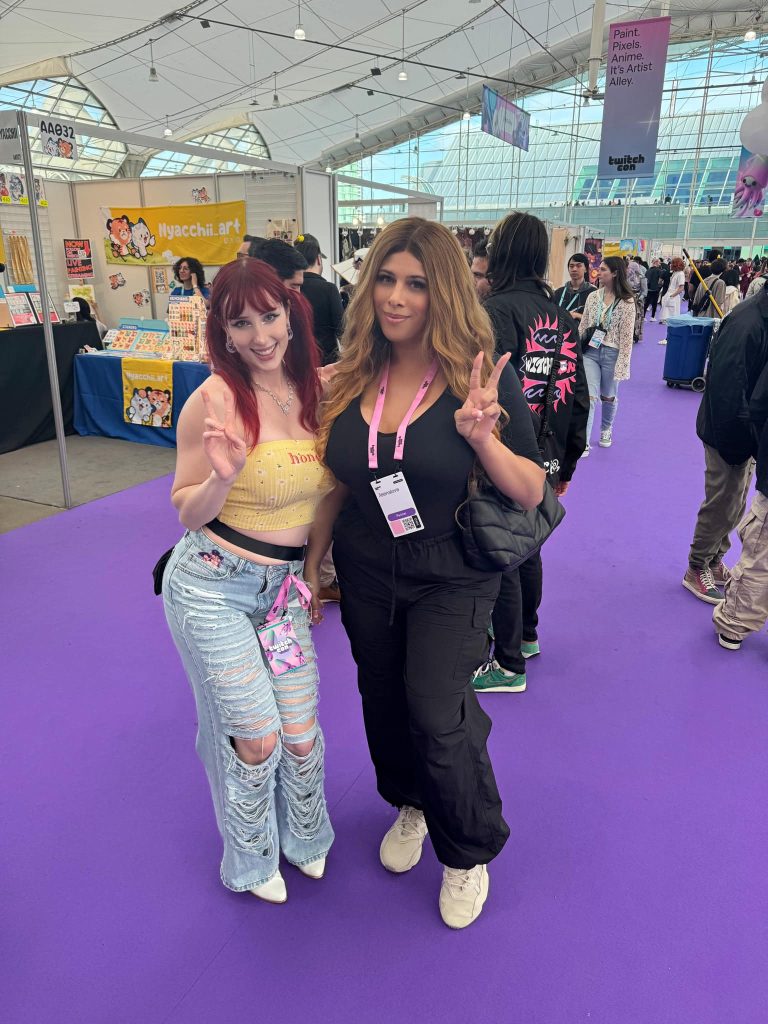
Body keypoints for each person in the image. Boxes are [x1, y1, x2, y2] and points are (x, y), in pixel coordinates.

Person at [305, 217, 545, 930]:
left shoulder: (478, 372)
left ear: (442, 290)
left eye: (415, 283)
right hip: (367, 567)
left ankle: (466, 848)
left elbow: (531, 490)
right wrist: (314, 561)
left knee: (437, 710)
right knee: (382, 699)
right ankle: (409, 801)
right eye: (385, 278)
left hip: (452, 570)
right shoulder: (352, 373)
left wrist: (482, 439)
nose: (397, 297)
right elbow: (340, 481)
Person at [161, 257, 334, 903]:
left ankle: (306, 838)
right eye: (242, 323)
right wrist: (223, 476)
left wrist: (314, 574)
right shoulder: (213, 398)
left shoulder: (316, 387)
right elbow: (185, 510)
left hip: (283, 594)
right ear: (224, 333)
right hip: (212, 583)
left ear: (290, 313)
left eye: (269, 315)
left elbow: (325, 498)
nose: (260, 335)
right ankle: (252, 855)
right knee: (255, 736)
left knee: (298, 730)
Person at [474, 211, 589, 694]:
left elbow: (490, 386)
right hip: (548, 449)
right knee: (529, 542)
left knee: (501, 548)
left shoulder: (495, 312)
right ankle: (525, 634)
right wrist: (569, 458)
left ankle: (506, 661)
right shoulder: (561, 316)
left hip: (507, 451)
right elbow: (577, 391)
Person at [682, 284, 763, 605]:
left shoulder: (760, 318)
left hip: (748, 430)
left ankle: (715, 557)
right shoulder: (748, 322)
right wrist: (737, 443)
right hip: (727, 431)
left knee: (737, 499)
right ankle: (696, 565)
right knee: (722, 501)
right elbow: (727, 388)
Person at [711, 292, 768, 648]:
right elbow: (735, 391)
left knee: (759, 548)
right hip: (732, 436)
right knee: (758, 548)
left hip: (750, 440)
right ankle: (733, 622)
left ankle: (735, 619)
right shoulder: (747, 320)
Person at [579, 257, 636, 452]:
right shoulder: (593, 297)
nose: (598, 272)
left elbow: (627, 337)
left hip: (613, 353)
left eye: (603, 269)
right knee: (589, 396)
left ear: (614, 273)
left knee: (608, 396)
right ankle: (584, 441)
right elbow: (584, 325)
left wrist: (622, 364)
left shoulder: (627, 302)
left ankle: (606, 429)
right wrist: (577, 349)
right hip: (590, 352)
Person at [293, 233, 344, 365]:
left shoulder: (291, 289)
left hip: (298, 363)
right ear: (319, 259)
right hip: (327, 364)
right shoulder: (329, 289)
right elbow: (342, 331)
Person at [552, 253, 596, 323]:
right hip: (559, 332)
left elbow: (596, 320)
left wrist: (577, 315)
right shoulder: (558, 293)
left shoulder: (594, 294)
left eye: (578, 266)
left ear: (586, 269)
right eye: (571, 266)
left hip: (581, 333)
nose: (574, 269)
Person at [658, 256, 686, 328]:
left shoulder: (680, 274)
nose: (670, 264)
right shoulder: (675, 273)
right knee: (666, 318)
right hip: (669, 295)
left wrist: (672, 296)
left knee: (671, 318)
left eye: (672, 263)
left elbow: (681, 288)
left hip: (673, 296)